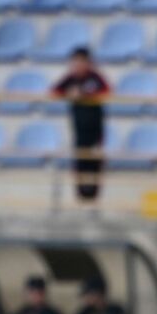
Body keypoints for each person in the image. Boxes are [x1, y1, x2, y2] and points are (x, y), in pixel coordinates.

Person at [51, 48, 110, 204]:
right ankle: (81, 194)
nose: (77, 65)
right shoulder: (71, 79)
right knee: (80, 159)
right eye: (75, 62)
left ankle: (93, 195)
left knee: (94, 159)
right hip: (79, 128)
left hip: (95, 127)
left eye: (81, 62)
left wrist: (85, 94)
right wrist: (69, 93)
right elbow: (55, 91)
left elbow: (107, 91)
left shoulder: (94, 78)